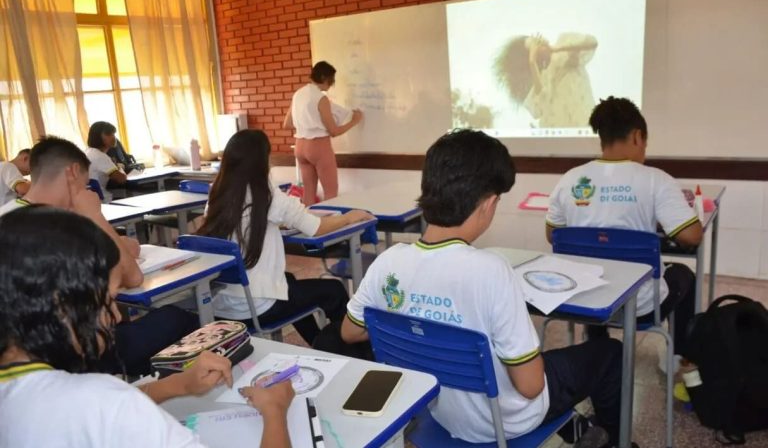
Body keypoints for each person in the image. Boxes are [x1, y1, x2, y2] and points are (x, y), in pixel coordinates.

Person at [341, 129, 624, 447]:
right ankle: (612, 440)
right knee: (610, 354)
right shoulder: (490, 270)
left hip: (440, 411)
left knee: (518, 356)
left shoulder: (387, 263)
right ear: (488, 204)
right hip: (505, 423)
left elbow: (349, 332)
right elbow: (530, 387)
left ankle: (579, 430)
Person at [0, 206, 294, 448]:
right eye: (109, 300)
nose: (115, 317)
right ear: (63, 304)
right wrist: (275, 411)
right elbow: (106, 408)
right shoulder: (101, 402)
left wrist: (177, 384)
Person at [0, 136, 198, 376]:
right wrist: (95, 215)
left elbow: (129, 248)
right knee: (178, 318)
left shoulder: (10, 217)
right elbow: (133, 276)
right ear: (73, 173)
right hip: (71, 352)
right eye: (85, 184)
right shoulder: (59, 225)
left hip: (18, 357)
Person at [546, 96, 701, 363]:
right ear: (637, 136)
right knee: (684, 274)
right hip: (640, 305)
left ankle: (596, 341)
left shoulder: (570, 179)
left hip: (583, 297)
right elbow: (692, 236)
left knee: (597, 272)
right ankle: (679, 360)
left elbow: (553, 235)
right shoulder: (656, 180)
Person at [197, 129, 374, 348]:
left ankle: (319, 344)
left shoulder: (216, 194)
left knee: (288, 280)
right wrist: (348, 218)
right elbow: (316, 227)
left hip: (222, 306)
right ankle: (352, 351)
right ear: (262, 161)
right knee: (334, 291)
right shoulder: (267, 195)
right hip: (257, 308)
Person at [283, 61, 363, 205]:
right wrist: (354, 121)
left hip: (300, 147)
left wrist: (307, 123)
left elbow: (287, 124)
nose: (332, 85)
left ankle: (308, 225)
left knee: (308, 191)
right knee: (331, 192)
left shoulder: (298, 94)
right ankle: (331, 226)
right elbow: (334, 131)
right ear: (325, 78)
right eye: (331, 80)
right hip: (318, 146)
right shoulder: (321, 98)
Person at [495, 33, 597, 128]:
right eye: (536, 44)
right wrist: (532, 62)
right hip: (559, 134)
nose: (541, 40)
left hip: (583, 126)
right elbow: (538, 107)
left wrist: (556, 49)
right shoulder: (542, 78)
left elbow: (592, 44)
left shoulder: (564, 46)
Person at [86, 121, 128, 201]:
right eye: (108, 134)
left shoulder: (89, 151)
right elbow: (122, 179)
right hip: (103, 200)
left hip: (91, 199)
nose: (113, 137)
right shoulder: (100, 156)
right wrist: (119, 167)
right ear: (97, 137)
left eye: (113, 134)